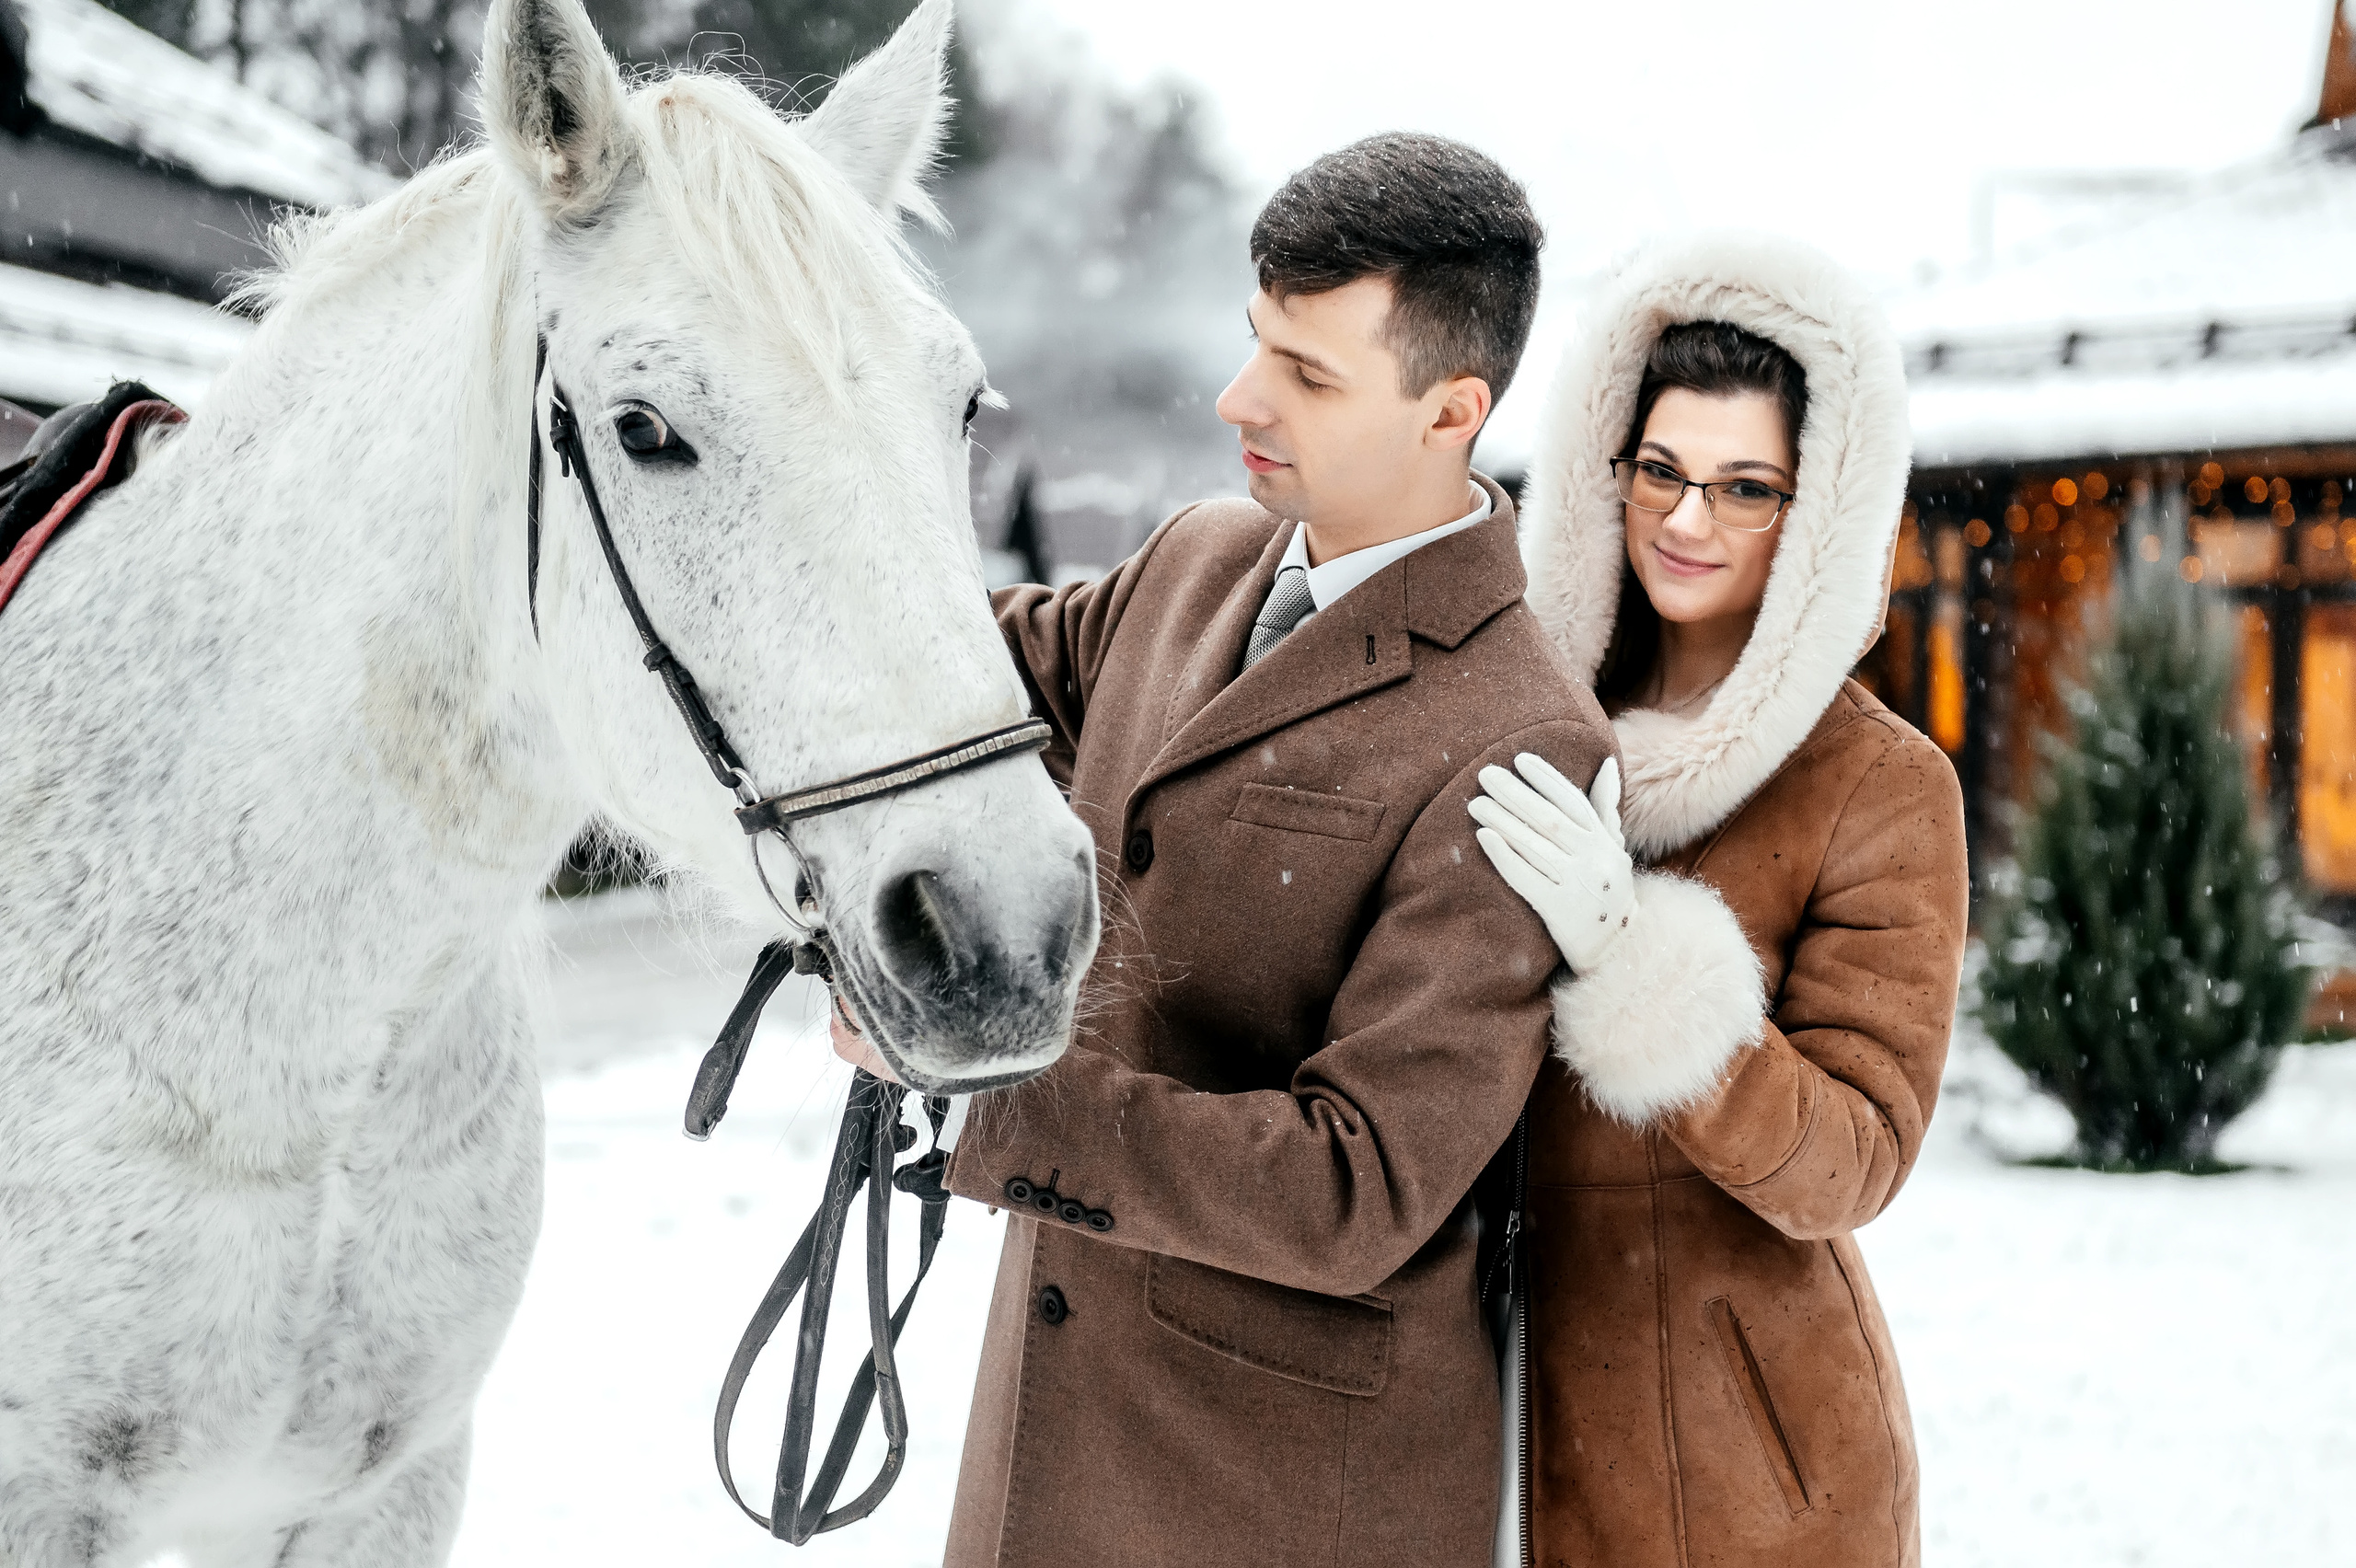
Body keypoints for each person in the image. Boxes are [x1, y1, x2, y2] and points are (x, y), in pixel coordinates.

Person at [832, 133, 1613, 1567]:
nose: (1239, 398)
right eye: (1257, 342)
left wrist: (986, 1078)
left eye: (1307, 374)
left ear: (1453, 410)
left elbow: (1357, 1187)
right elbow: (958, 676)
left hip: (1281, 1497)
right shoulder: (1197, 555)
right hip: (1049, 1447)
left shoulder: (1524, 743)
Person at [1468, 233, 1968, 1568]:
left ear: (1817, 514)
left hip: (1737, 1474)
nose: (1686, 521)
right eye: (1661, 471)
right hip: (1471, 1422)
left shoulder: (1879, 785)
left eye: (1746, 488)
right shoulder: (1512, 723)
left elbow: (1852, 1159)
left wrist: (1636, 963)